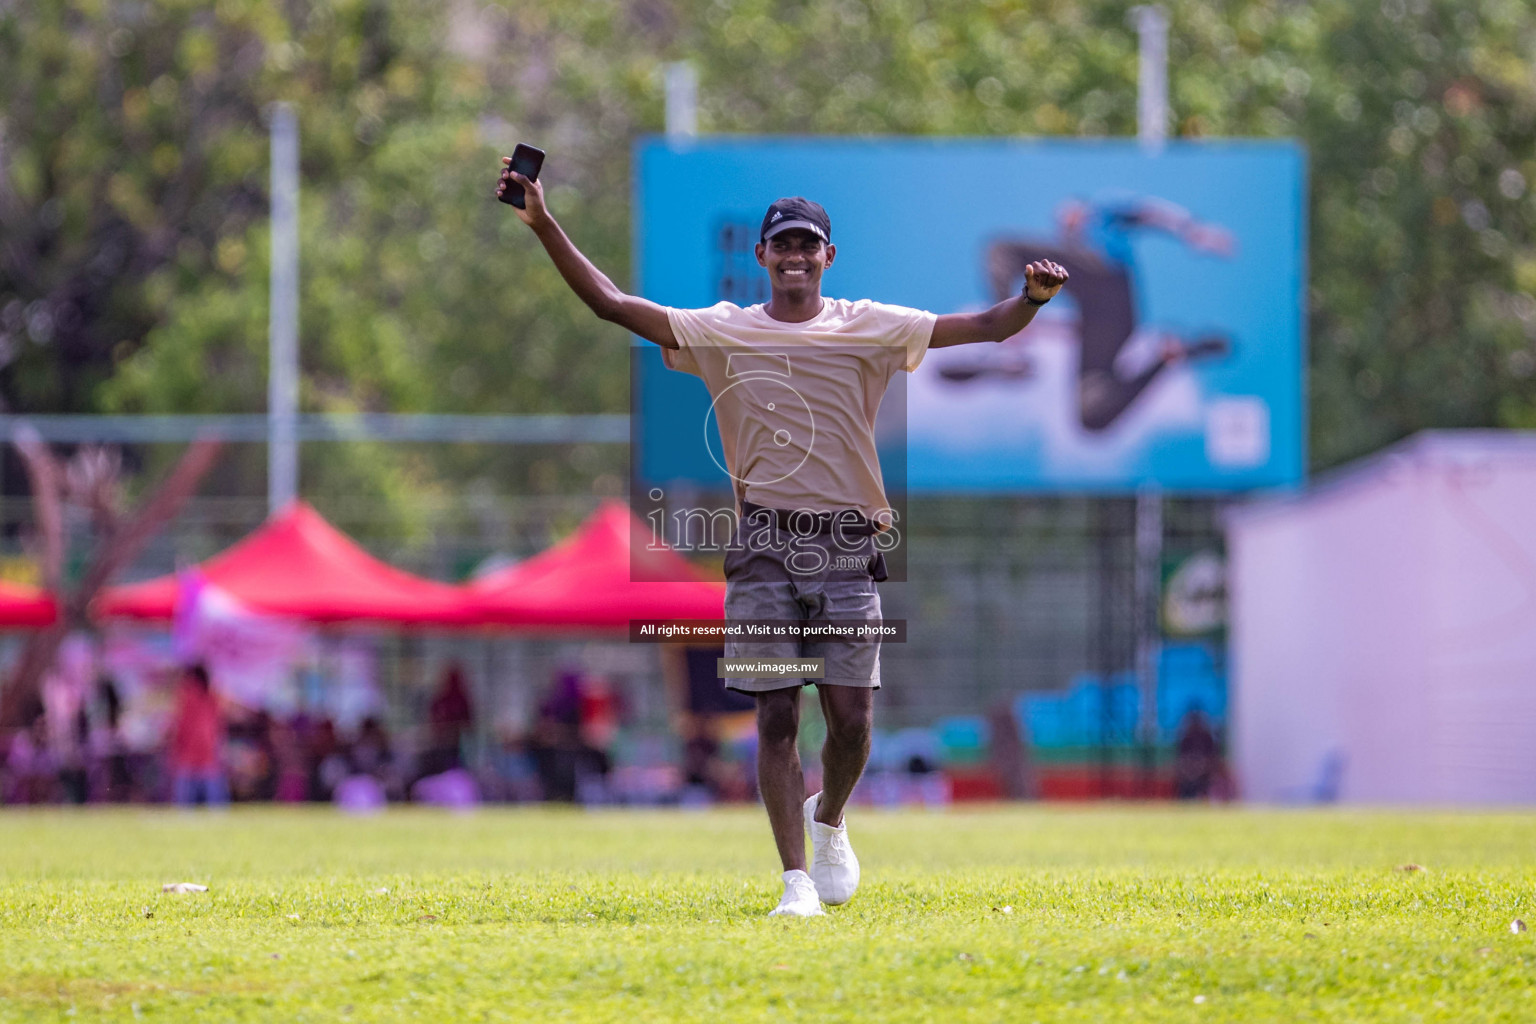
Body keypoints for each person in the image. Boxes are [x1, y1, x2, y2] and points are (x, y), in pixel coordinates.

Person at [500, 160, 1066, 916]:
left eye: (809, 245)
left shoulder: (869, 324)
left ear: (829, 257)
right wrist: (543, 222)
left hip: (849, 547)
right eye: (782, 245)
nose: (795, 256)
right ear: (762, 257)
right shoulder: (724, 330)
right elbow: (612, 304)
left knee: (853, 720)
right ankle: (795, 881)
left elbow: (987, 327)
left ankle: (827, 817)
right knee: (774, 711)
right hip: (764, 544)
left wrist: (1031, 297)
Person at [980, 196, 1234, 431]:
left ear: (1081, 210)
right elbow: (1073, 330)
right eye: (1063, 227)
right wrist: (1030, 329)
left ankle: (1005, 324)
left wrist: (1191, 229)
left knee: (1002, 248)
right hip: (1111, 325)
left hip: (1107, 276)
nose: (1066, 229)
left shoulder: (1101, 216)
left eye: (1070, 219)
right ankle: (1169, 356)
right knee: (1090, 415)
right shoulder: (1073, 268)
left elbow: (1147, 214)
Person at [168, 664, 228, 807]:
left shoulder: (188, 694)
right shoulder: (212, 695)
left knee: (186, 793)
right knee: (213, 793)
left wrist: (175, 745)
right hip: (208, 747)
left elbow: (180, 723)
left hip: (191, 748)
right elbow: (219, 723)